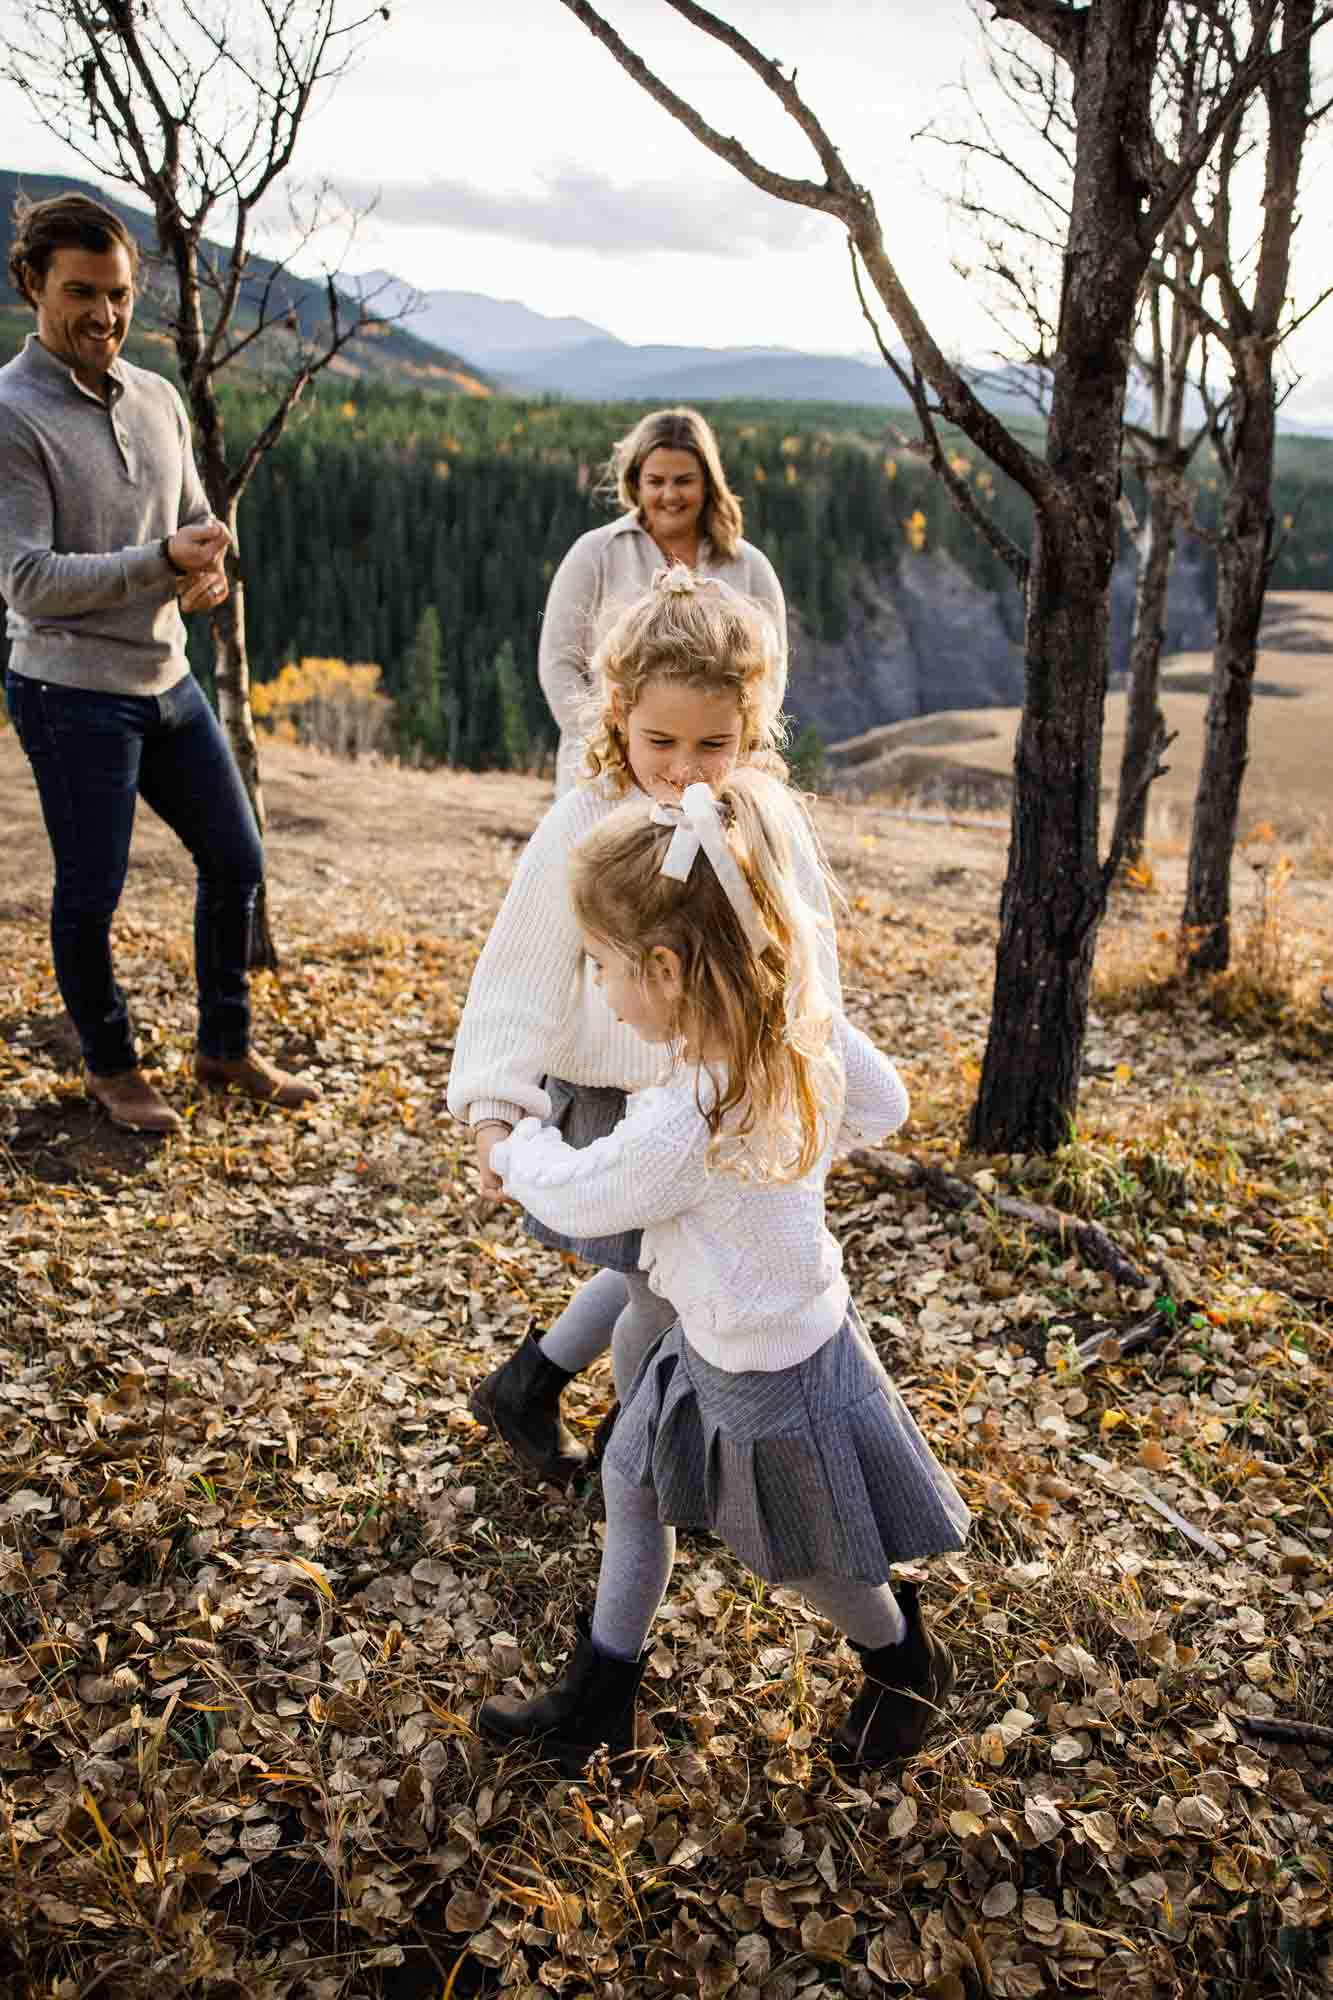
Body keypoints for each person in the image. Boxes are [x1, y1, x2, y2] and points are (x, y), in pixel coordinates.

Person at [477, 769, 969, 1773]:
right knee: (630, 1477)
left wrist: (513, 1145)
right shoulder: (787, 1034)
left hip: (768, 1374)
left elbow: (582, 1193)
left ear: (662, 967)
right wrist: (807, 1114)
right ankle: (599, 1698)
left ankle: (901, 1657)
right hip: (726, 1338)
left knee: (815, 1559)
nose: (599, 990)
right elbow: (886, 1105)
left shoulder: (685, 1115)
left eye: (602, 967)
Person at [448, 567, 837, 1484]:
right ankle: (642, 1466)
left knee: (667, 1277)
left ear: (753, 727)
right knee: (658, 1292)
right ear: (617, 714)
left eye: (715, 742)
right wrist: (493, 1107)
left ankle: (536, 1387)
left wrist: (805, 1069)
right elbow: (520, 973)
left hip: (719, 1095)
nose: (684, 767)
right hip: (614, 1101)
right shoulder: (587, 820)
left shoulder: (762, 822)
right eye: (659, 739)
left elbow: (806, 954)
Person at [0, 191, 318, 1135]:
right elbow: (26, 582)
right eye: (81, 293)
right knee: (91, 892)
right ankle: (110, 1065)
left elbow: (188, 526)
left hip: (166, 680)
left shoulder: (160, 397)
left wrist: (205, 570)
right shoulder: (11, 414)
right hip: (68, 693)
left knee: (236, 857)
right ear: (31, 286)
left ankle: (224, 1049)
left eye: (121, 294)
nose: (104, 314)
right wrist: (159, 566)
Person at [539, 406, 786, 794]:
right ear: (635, 483)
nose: (669, 495)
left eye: (684, 480)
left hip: (713, 780)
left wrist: (728, 755)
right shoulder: (595, 553)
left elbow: (771, 676)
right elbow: (559, 664)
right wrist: (615, 745)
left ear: (707, 483)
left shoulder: (750, 568)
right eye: (656, 481)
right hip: (604, 776)